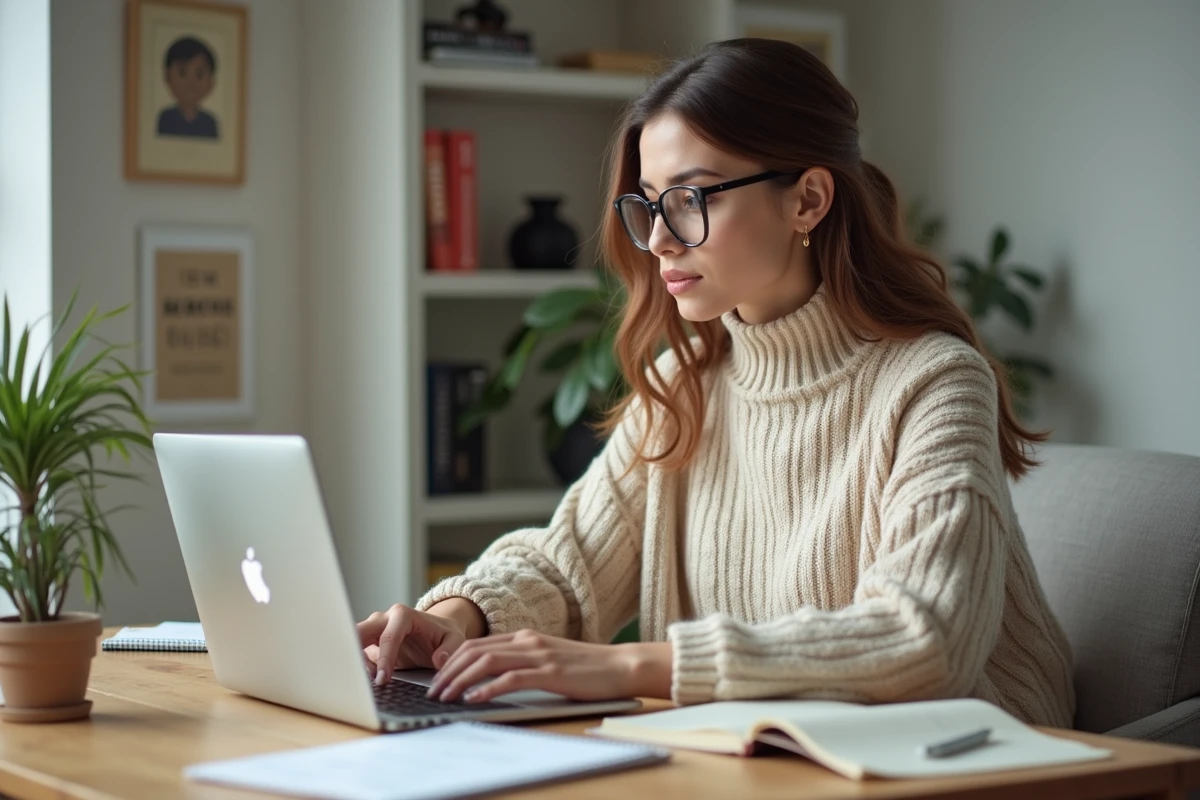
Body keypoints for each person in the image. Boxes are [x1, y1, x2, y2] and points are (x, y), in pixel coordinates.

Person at [359, 38, 1075, 728]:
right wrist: (455, 619)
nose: (662, 239)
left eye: (693, 199)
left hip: (970, 760)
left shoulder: (935, 383)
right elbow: (565, 559)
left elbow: (925, 639)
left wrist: (627, 668)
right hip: (760, 752)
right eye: (648, 203)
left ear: (809, 200)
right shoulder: (687, 385)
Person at [156, 36, 220, 139]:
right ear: (167, 76)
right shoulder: (166, 118)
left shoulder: (209, 122)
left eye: (199, 75)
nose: (190, 82)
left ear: (211, 83)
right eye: (182, 73)